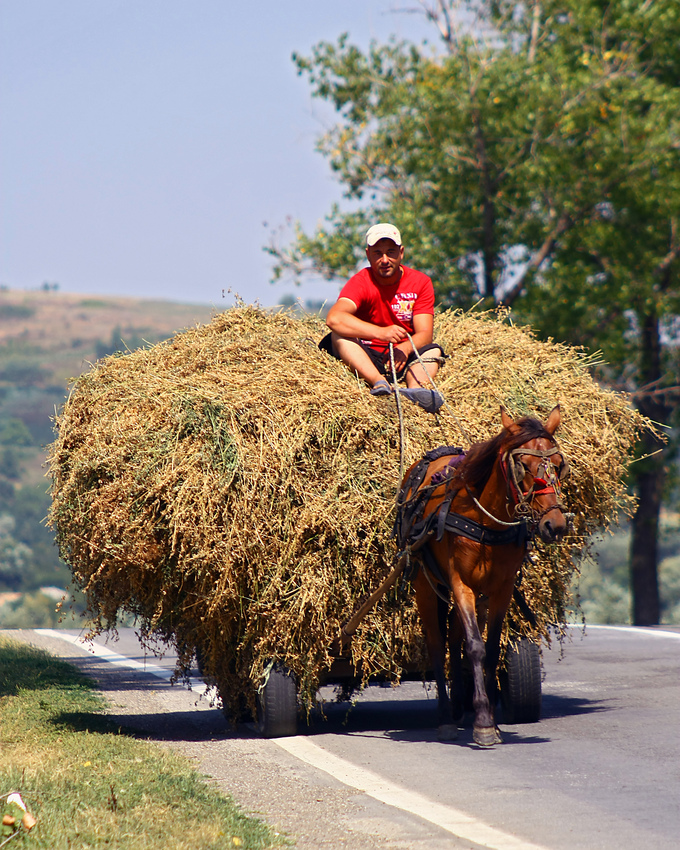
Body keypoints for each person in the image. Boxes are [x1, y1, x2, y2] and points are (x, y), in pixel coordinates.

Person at [320, 223, 445, 413]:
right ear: (368, 255)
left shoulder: (420, 282)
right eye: (378, 253)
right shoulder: (360, 282)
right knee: (338, 336)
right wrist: (380, 333)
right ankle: (378, 382)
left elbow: (425, 334)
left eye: (391, 252)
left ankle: (415, 391)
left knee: (433, 351)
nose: (385, 259)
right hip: (367, 354)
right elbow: (334, 319)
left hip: (403, 358)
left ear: (401, 253)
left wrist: (404, 348)